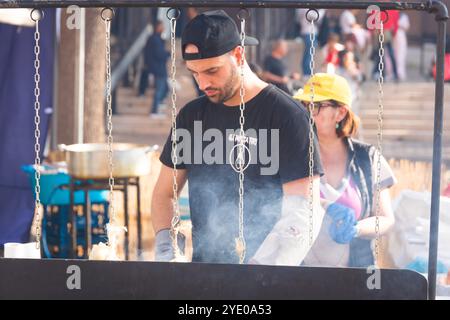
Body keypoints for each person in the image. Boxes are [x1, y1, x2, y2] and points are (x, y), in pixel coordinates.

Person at [151, 10, 324, 265]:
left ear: (239, 55)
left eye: (212, 71)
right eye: (195, 73)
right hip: (206, 273)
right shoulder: (191, 117)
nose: (203, 83)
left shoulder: (289, 117)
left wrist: (256, 274)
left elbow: (303, 212)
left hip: (268, 275)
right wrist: (166, 246)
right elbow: (164, 194)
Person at [294, 73, 396, 267]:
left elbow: (386, 219)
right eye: (304, 105)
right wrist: (326, 205)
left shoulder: (368, 158)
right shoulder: (295, 154)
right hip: (301, 276)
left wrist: (355, 229)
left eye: (316, 106)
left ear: (340, 113)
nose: (308, 113)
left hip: (355, 276)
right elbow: (285, 200)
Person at [143, 20, 170, 119]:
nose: (164, 28)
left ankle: (158, 106)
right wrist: (168, 54)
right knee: (159, 90)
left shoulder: (155, 39)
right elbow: (159, 54)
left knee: (164, 88)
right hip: (158, 68)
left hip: (158, 68)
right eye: (162, 26)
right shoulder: (155, 39)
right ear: (157, 27)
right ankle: (154, 110)